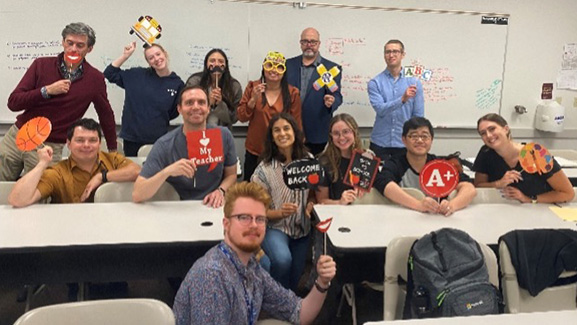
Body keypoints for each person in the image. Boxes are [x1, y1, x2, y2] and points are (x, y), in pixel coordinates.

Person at [173, 181, 336, 325]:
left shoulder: (252, 268)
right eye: (244, 217)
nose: (253, 225)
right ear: (226, 223)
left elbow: (299, 313)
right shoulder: (211, 277)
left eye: (260, 219)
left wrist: (322, 281)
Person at [1, 22, 117, 181]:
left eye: (80, 45)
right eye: (70, 43)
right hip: (18, 135)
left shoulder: (95, 79)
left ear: (89, 49)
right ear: (63, 42)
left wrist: (112, 150)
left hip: (49, 146)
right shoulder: (41, 65)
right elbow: (13, 103)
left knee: (38, 197)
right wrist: (46, 91)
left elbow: (106, 115)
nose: (73, 49)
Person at [132, 85, 237, 208]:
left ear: (208, 108)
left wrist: (221, 191)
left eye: (201, 102)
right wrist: (167, 171)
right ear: (179, 109)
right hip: (178, 208)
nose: (196, 107)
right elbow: (138, 194)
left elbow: (231, 175)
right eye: (189, 103)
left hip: (214, 206)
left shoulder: (224, 135)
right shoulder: (164, 145)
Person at [8, 118, 140, 207]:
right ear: (69, 144)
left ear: (100, 144)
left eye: (92, 140)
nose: (86, 145)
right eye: (80, 140)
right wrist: (42, 164)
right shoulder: (58, 173)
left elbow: (138, 172)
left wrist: (103, 176)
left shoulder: (112, 159)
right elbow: (17, 200)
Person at [251, 113, 313, 290]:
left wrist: (311, 204)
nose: (282, 133)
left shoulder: (308, 161)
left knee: (296, 273)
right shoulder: (264, 169)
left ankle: (285, 299)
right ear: (271, 136)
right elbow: (257, 211)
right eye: (276, 130)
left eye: (286, 128)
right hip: (275, 226)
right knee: (282, 261)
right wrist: (279, 213)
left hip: (302, 229)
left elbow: (315, 192)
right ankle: (275, 299)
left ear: (295, 132)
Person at [373, 117, 476, 216]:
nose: (420, 140)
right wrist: (418, 205)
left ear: (431, 140)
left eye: (425, 136)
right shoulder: (396, 163)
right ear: (404, 140)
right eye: (413, 136)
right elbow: (384, 184)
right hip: (404, 218)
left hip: (437, 219)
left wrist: (452, 205)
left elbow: (469, 188)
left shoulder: (440, 164)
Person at [104, 41, 184, 157]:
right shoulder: (137, 75)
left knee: (155, 172)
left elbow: (174, 112)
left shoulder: (177, 84)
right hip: (132, 138)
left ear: (165, 54)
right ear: (148, 62)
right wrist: (125, 55)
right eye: (151, 58)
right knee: (132, 172)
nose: (156, 59)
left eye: (158, 54)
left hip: (158, 139)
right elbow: (109, 73)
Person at [473, 113, 574, 203]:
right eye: (483, 133)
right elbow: (478, 185)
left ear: (506, 129)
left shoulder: (536, 154)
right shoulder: (486, 152)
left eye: (492, 129)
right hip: (505, 209)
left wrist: (530, 198)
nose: (489, 135)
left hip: (540, 210)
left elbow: (567, 193)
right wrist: (498, 183)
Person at [237, 51, 302, 181]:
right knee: (252, 191)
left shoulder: (292, 93)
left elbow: (297, 125)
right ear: (263, 68)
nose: (274, 70)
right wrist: (253, 100)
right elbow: (241, 117)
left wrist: (296, 153)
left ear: (284, 71)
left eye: (279, 67)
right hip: (255, 150)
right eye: (269, 65)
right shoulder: (252, 87)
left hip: (282, 151)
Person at [286, 27, 343, 155]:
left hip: (318, 132)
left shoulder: (332, 68)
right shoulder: (288, 65)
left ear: (319, 44)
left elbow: (337, 95)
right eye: (305, 42)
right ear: (300, 44)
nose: (309, 45)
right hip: (290, 130)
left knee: (316, 173)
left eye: (313, 42)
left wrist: (332, 102)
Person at [367, 39, 424, 162]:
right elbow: (380, 110)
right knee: (379, 179)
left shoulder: (414, 82)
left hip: (405, 144)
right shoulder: (375, 82)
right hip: (380, 143)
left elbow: (418, 116)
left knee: (404, 180)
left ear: (403, 54)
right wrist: (402, 99)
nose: (391, 55)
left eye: (395, 51)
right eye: (387, 52)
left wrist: (415, 141)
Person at [316, 113, 373, 205]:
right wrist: (339, 202)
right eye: (336, 133)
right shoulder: (323, 162)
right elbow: (321, 200)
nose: (341, 137)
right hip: (336, 214)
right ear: (331, 136)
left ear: (354, 132)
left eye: (346, 132)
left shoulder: (367, 158)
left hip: (363, 211)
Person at [185, 48, 242, 130]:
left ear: (225, 65)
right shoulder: (195, 82)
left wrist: (220, 105)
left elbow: (234, 118)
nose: (216, 65)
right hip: (197, 131)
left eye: (221, 61)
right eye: (212, 61)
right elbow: (188, 111)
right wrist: (208, 103)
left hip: (222, 133)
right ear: (206, 64)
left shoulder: (234, 86)